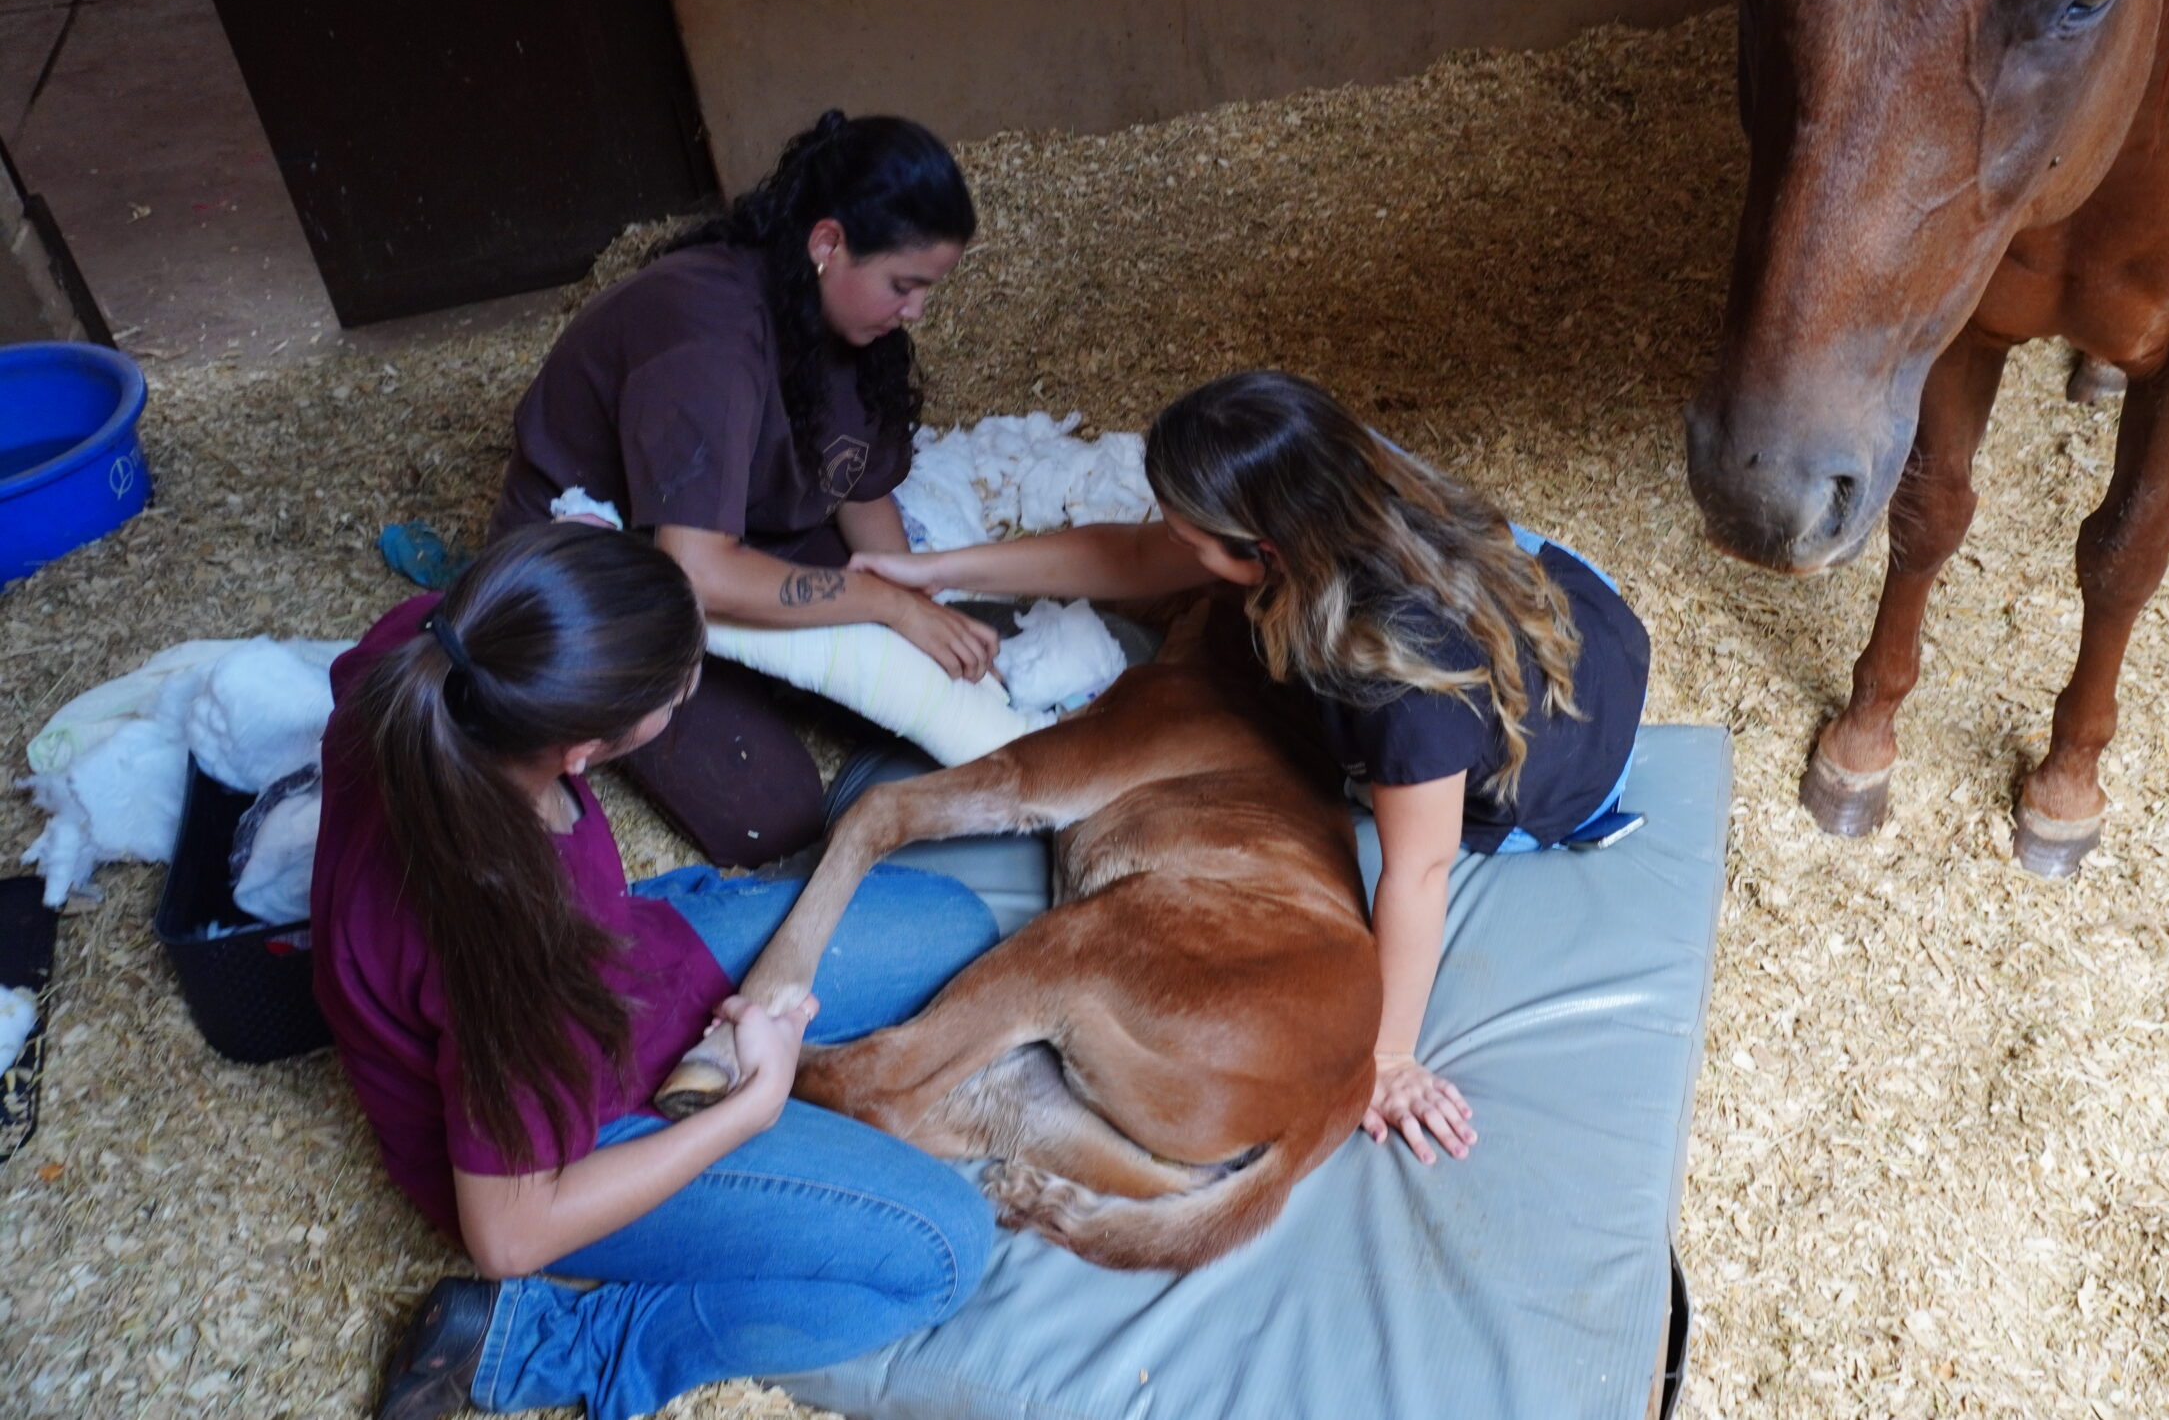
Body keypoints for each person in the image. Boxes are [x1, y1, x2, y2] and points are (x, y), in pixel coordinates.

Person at [852, 370, 1651, 1167]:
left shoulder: (1403, 688)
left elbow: (1420, 870)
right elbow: (1136, 554)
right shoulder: (1330, 472)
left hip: (1566, 770)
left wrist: (1389, 1056)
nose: (1170, 542)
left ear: (1263, 553)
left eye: (1191, 538)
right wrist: (938, 571)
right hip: (1586, 601)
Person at [310, 523, 1001, 1420]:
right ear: (580, 750)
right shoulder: (514, 948)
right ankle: (546, 1344)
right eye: (675, 691)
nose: (688, 686)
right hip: (565, 1119)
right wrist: (754, 1105)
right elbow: (510, 1236)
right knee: (945, 1249)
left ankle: (668, 925)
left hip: (620, 955)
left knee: (958, 925)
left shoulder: (435, 649)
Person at [490, 111, 999, 867]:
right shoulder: (708, 330)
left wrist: (918, 605)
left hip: (743, 532)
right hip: (609, 569)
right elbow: (693, 570)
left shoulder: (851, 324)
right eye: (903, 285)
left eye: (927, 288)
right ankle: (723, 682)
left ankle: (764, 666)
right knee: (775, 814)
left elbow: (857, 488)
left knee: (948, 673)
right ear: (827, 243)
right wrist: (886, 605)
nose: (916, 311)